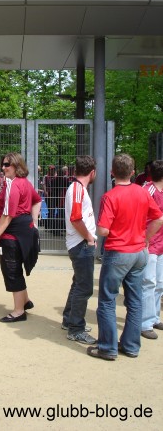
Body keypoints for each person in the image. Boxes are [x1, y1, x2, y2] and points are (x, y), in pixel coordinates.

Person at [88, 154, 163, 361]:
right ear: (132, 172)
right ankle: (130, 346)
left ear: (112, 172)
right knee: (135, 299)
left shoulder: (110, 196)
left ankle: (108, 347)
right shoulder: (142, 193)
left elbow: (103, 230)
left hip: (118, 252)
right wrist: (146, 238)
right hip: (139, 252)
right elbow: (158, 219)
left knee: (107, 300)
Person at [0, 153, 41, 323]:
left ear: (16, 166)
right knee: (16, 267)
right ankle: (25, 301)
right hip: (22, 230)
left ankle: (19, 311)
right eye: (2, 164)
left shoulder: (15, 185)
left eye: (7, 165)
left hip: (12, 232)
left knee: (11, 270)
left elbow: (8, 214)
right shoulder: (24, 183)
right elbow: (37, 200)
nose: (3, 167)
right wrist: (33, 221)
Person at [62, 156, 97, 344]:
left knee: (78, 284)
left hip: (81, 243)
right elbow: (76, 218)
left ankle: (69, 320)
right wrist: (89, 237)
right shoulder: (77, 189)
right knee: (84, 287)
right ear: (92, 172)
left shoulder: (77, 188)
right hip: (81, 244)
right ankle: (76, 328)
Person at [141, 159, 163, 339]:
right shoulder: (147, 190)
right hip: (150, 243)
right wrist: (145, 238)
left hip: (161, 244)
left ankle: (154, 317)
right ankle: (145, 322)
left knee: (159, 283)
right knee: (149, 282)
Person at [43, 165, 57, 229]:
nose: (52, 171)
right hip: (48, 195)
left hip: (54, 195)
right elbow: (44, 184)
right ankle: (48, 225)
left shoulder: (55, 177)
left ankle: (51, 225)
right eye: (51, 169)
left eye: (53, 169)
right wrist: (45, 191)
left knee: (53, 210)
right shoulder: (46, 177)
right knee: (50, 209)